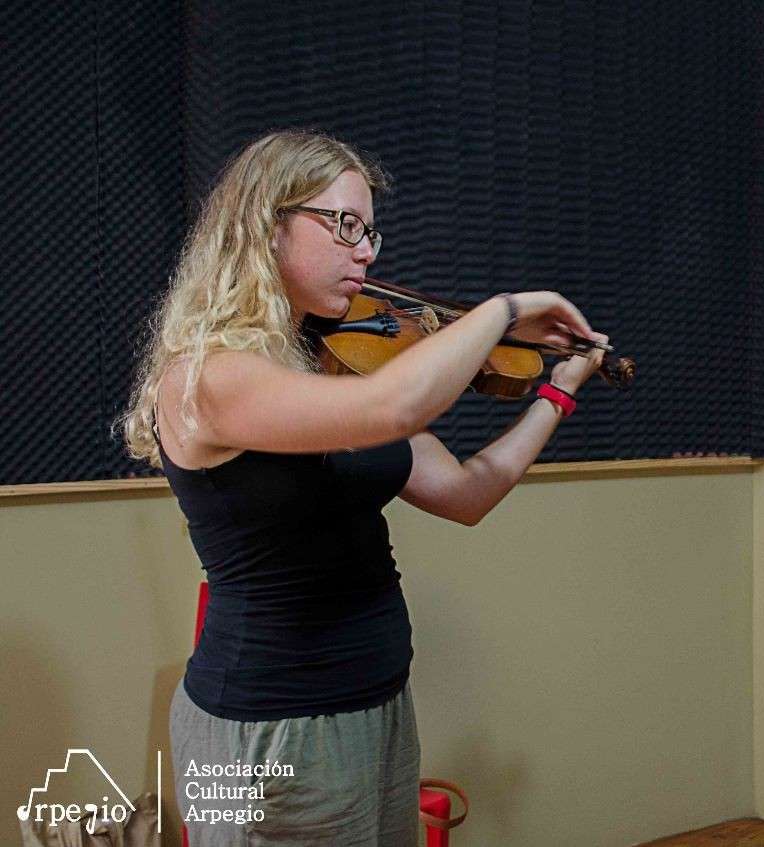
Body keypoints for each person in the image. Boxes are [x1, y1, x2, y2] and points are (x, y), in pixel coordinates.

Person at [120, 130, 606, 846]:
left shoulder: (330, 366)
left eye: (370, 229)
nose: (367, 250)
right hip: (270, 732)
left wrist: (557, 393)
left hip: (375, 705)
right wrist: (500, 310)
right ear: (265, 223)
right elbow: (394, 409)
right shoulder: (207, 378)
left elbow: (467, 493)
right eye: (343, 224)